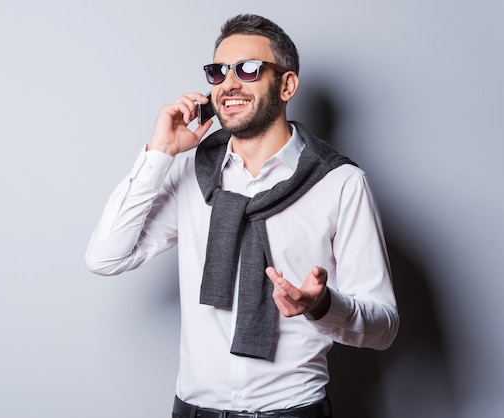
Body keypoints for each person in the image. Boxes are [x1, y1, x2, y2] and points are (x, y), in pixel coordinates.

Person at [86, 13, 399, 418]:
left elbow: (384, 328)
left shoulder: (340, 184)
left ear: (286, 85)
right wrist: (159, 151)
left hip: (294, 411)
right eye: (218, 72)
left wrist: (324, 306)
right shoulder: (190, 172)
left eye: (248, 69)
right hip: (194, 411)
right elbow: (105, 257)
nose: (229, 84)